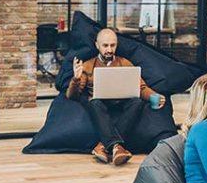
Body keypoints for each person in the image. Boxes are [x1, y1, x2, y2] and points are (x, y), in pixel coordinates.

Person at [65, 27, 165, 166]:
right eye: (105, 45)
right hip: (99, 103)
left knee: (137, 102)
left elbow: (141, 88)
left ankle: (102, 146)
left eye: (113, 45)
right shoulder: (87, 65)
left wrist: (154, 95)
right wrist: (76, 78)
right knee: (93, 103)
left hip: (121, 100)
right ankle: (117, 147)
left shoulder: (125, 63)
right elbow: (72, 96)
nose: (109, 49)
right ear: (97, 45)